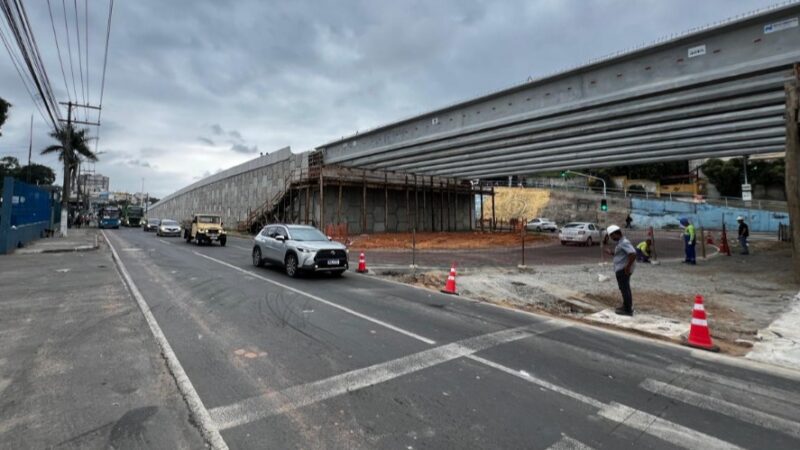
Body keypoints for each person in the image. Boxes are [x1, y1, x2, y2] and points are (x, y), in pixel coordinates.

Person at [605, 225, 636, 316]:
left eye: (611, 236)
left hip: (623, 269)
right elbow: (621, 254)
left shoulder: (624, 242)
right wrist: (611, 253)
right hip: (621, 268)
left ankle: (627, 309)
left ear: (615, 234)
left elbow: (633, 254)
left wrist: (627, 267)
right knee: (624, 288)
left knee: (624, 288)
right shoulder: (621, 242)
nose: (611, 238)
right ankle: (626, 306)